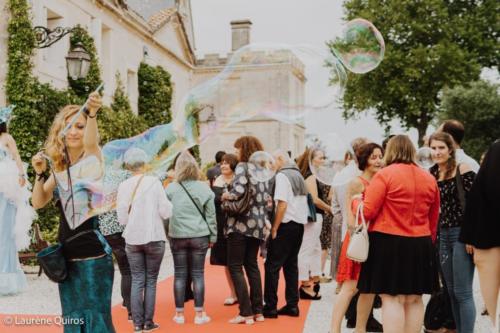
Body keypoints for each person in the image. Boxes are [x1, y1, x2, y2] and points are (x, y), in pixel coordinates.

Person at [31, 94, 116, 332]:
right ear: (60, 131)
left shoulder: (93, 158)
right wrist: (39, 174)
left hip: (93, 255)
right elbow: (38, 202)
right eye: (68, 127)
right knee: (73, 318)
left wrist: (91, 113)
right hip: (66, 258)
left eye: (79, 126)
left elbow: (91, 142)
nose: (74, 132)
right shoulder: (60, 168)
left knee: (96, 319)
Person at [354, 135, 440, 333]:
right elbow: (433, 217)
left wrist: (356, 202)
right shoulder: (429, 177)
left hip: (388, 241)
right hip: (421, 241)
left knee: (392, 297)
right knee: (415, 298)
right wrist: (428, 240)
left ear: (390, 151)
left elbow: (367, 212)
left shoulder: (385, 175)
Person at [116, 148, 173, 332]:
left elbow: (121, 219)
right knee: (151, 280)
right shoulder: (154, 182)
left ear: (127, 165)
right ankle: (148, 322)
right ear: (145, 163)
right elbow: (166, 211)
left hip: (133, 238)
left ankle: (137, 324)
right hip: (154, 236)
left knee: (137, 279)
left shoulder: (123, 186)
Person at [330, 143, 384, 333]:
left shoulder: (383, 180)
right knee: (350, 288)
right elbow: (350, 216)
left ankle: (360, 328)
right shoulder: (356, 182)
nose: (378, 160)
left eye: (380, 156)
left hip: (377, 240)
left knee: (369, 289)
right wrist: (356, 235)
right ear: (364, 160)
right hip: (359, 239)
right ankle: (334, 329)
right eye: (373, 157)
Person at [221, 136, 271, 324]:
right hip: (257, 224)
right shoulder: (263, 169)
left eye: (237, 149)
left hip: (240, 223)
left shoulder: (243, 166)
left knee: (235, 266)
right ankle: (258, 311)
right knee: (252, 266)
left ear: (244, 149)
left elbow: (239, 191)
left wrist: (227, 194)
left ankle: (245, 312)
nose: (236, 153)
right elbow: (265, 197)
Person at [429, 132, 476, 333]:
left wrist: (471, 236)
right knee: (450, 291)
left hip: (461, 234)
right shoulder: (430, 173)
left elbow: (476, 206)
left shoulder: (462, 169)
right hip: (442, 235)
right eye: (433, 148)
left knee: (463, 292)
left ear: (450, 149)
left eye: (441, 148)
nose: (437, 152)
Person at [165, 151, 217, 325]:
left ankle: (179, 314)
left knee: (179, 274)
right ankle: (199, 314)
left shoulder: (170, 189)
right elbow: (211, 216)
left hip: (177, 235)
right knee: (198, 274)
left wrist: (168, 233)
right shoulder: (204, 188)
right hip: (200, 235)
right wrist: (213, 237)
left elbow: (165, 215)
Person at [460, 139, 500, 328]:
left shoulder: (495, 150)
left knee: (494, 305)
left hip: (487, 237)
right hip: (487, 239)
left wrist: (470, 235)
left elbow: (476, 198)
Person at [263, 150, 308, 318]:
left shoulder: (282, 176)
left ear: (280, 159)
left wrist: (274, 228)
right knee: (291, 266)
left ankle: (270, 307)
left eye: (272, 161)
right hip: (298, 226)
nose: (270, 165)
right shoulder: (298, 175)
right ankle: (292, 305)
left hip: (285, 225)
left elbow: (282, 204)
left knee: (272, 266)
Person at [0, 108, 35, 296]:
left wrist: (21, 174)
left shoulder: (6, 137)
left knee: (5, 233)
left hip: (6, 186)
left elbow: (17, 156)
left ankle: (6, 280)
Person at [295, 148, 329, 300]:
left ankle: (314, 279)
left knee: (315, 248)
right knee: (307, 249)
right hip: (313, 217)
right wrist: (329, 209)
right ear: (311, 159)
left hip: (315, 217)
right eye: (320, 158)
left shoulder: (312, 175)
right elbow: (314, 199)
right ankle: (305, 285)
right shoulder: (310, 176)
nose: (323, 160)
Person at [210, 153, 239, 306]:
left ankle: (245, 292)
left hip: (238, 226)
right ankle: (233, 293)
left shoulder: (239, 181)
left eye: (227, 163)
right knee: (227, 262)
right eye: (222, 163)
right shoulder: (217, 181)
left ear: (233, 165)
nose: (223, 165)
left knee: (241, 262)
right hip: (221, 225)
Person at [99, 210, 131, 319]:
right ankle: (130, 306)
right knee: (128, 270)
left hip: (106, 232)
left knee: (124, 269)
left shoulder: (96, 193)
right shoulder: (117, 192)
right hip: (119, 229)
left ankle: (126, 300)